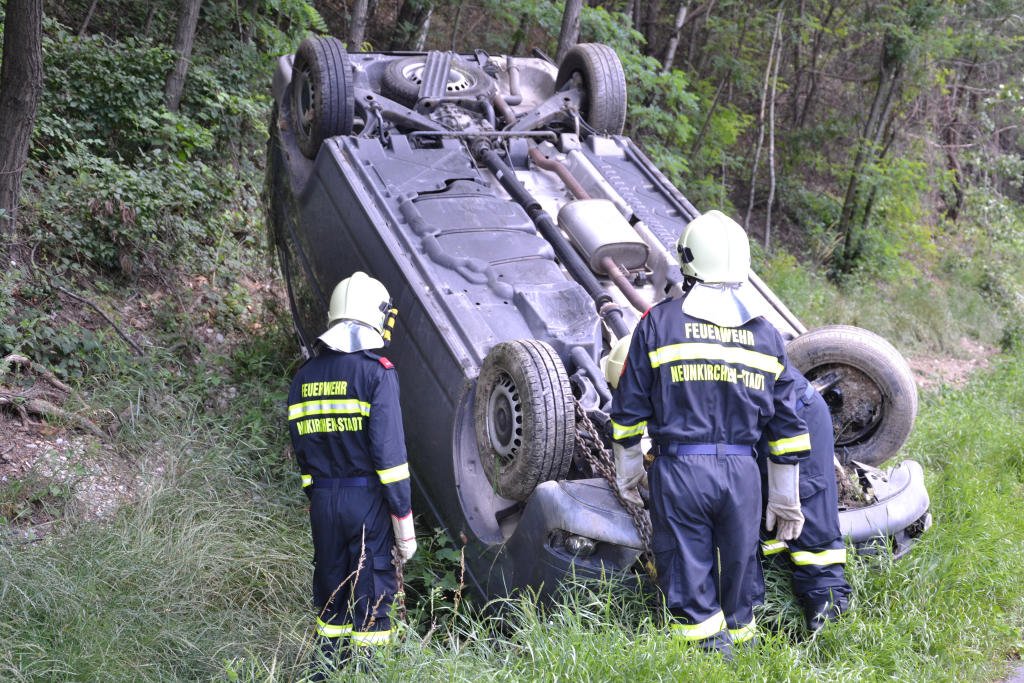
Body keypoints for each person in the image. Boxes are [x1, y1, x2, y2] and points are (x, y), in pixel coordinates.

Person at [609, 210, 810, 657]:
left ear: (688, 260)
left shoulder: (658, 323)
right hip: (743, 475)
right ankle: (742, 658)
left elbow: (628, 411)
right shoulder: (766, 335)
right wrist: (785, 496)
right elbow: (788, 428)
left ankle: (709, 662)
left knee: (688, 577)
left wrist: (628, 470)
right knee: (740, 577)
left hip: (681, 470)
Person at [287, 271, 417, 674]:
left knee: (331, 602)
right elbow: (391, 460)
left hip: (322, 502)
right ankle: (369, 675)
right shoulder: (378, 372)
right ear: (376, 316)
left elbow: (303, 453)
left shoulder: (304, 377)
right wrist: (404, 525)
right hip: (367, 505)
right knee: (372, 604)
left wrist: (318, 498)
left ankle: (325, 673)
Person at [757, 365, 852, 632]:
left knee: (807, 517)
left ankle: (828, 620)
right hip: (755, 418)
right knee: (760, 515)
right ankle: (771, 611)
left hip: (794, 417)